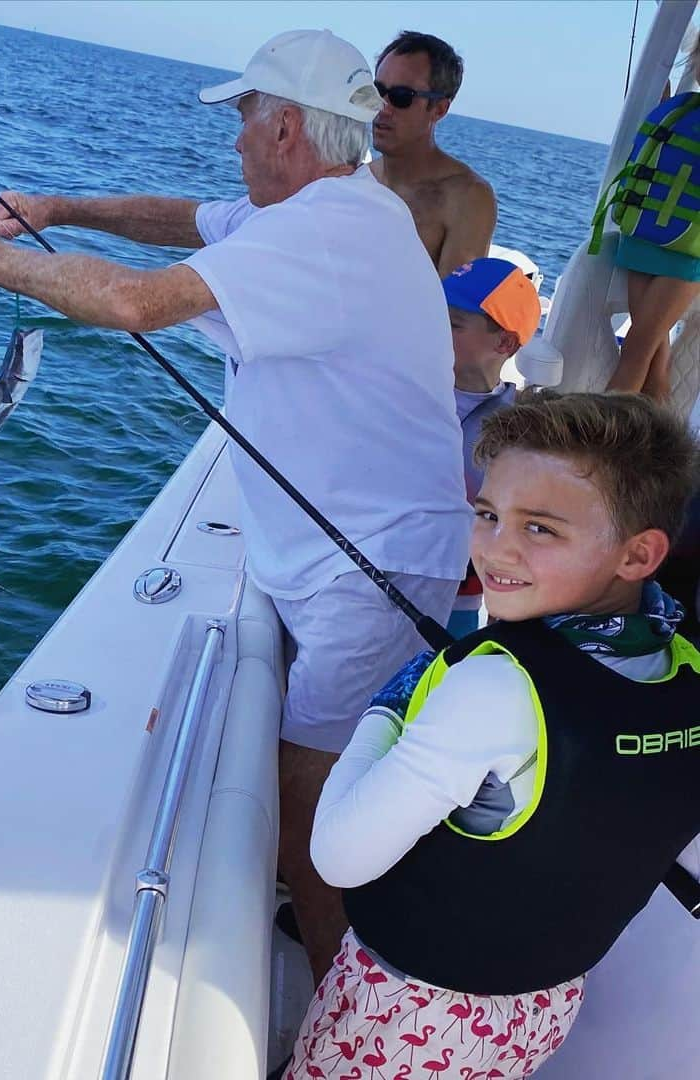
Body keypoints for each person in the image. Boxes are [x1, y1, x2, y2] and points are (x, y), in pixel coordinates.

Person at [0, 29, 470, 987]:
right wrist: (62, 207)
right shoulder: (333, 205)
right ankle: (324, 932)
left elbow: (140, 304)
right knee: (304, 770)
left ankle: (335, 1001)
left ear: (288, 130)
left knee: (308, 792)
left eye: (244, 118)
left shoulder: (324, 233)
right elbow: (182, 220)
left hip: (368, 569)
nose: (233, 140)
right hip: (342, 551)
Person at [285, 390, 700, 1080]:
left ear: (638, 555)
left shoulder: (492, 687)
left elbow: (337, 857)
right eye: (487, 513)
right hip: (539, 1012)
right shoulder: (684, 667)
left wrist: (392, 703)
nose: (495, 548)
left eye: (540, 528)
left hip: (410, 1015)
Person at [444, 257, 542, 636]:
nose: (434, 326)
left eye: (454, 324)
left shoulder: (521, 430)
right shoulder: (398, 388)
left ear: (504, 342)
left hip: (459, 602)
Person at [605, 39, 700, 402]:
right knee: (654, 359)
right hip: (641, 238)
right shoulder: (679, 108)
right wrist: (650, 82)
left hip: (687, 253)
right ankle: (654, 442)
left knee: (636, 350)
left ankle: (599, 439)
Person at [370, 31, 497, 275]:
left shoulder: (466, 198)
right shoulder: (354, 178)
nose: (382, 108)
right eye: (377, 91)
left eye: (401, 97)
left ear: (439, 109)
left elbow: (451, 308)